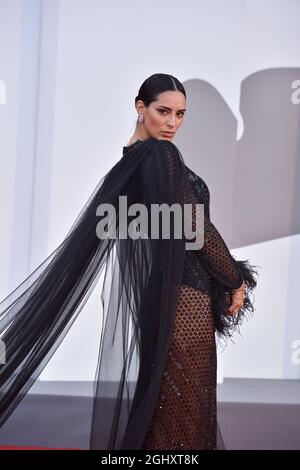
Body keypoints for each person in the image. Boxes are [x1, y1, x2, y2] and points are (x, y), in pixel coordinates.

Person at [0, 73, 257, 450]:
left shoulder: (130, 163)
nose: (172, 123)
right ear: (141, 108)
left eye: (181, 114)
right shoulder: (160, 155)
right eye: (163, 111)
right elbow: (193, 226)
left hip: (159, 302)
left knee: (167, 415)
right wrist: (235, 280)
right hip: (186, 302)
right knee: (186, 419)